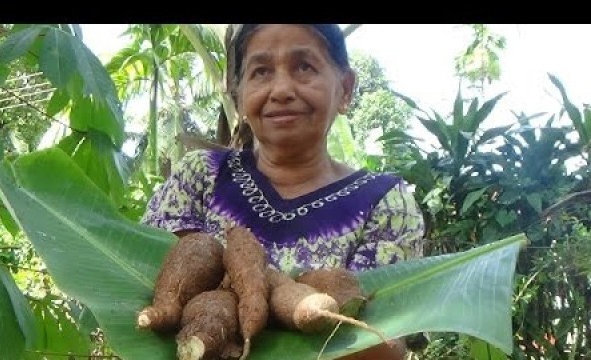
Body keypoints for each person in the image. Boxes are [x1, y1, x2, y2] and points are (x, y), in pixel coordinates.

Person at [142, 24, 425, 360]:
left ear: (345, 89)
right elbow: (152, 284)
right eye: (261, 71)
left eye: (304, 66)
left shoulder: (385, 201)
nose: (281, 89)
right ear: (240, 92)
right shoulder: (202, 175)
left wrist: (284, 298)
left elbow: (382, 345)